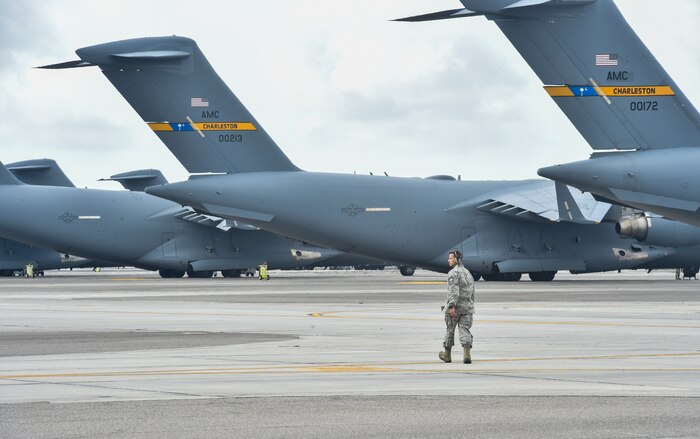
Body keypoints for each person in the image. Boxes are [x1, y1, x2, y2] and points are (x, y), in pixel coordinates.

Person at [439, 249, 475, 364]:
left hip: (455, 307)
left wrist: (452, 306)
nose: (448, 260)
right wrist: (470, 304)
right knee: (465, 329)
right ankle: (466, 355)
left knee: (450, 330)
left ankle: (447, 355)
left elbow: (454, 291)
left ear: (457, 260)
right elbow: (472, 292)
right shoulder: (468, 273)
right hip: (467, 307)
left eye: (450, 258)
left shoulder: (453, 273)